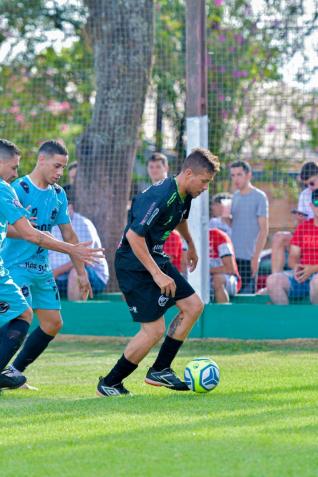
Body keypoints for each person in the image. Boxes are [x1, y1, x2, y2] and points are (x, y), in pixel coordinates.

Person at [96, 148, 220, 397]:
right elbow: (133, 236)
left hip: (154, 257)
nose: (206, 187)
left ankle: (161, 369)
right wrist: (157, 274)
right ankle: (109, 383)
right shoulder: (161, 196)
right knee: (153, 331)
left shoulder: (185, 193)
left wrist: (191, 246)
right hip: (134, 263)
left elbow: (181, 218)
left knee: (194, 306)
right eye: (204, 181)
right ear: (188, 173)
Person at [0, 139, 103, 391]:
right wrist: (28, 229)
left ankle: (13, 371)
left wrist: (81, 272)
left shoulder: (58, 195)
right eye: (56, 166)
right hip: (15, 266)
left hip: (41, 268)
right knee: (19, 315)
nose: (59, 173)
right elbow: (17, 231)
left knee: (52, 323)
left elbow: (69, 235)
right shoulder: (16, 187)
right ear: (41, 160)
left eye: (63, 168)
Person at [49, 185, 109, 300]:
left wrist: (56, 272)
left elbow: (84, 259)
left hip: (92, 276)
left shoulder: (83, 224)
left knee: (75, 272)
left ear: (70, 207)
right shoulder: (50, 223)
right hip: (58, 278)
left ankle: (75, 315)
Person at [267, 188, 318, 304]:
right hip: (303, 276)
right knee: (273, 280)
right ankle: (285, 320)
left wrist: (313, 269)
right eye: (317, 203)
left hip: (315, 276)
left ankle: (314, 320)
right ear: (311, 205)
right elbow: (293, 256)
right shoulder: (303, 228)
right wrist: (297, 267)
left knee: (317, 281)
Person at [271, 162, 318, 274]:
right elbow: (300, 227)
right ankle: (275, 278)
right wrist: (300, 219)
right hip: (307, 234)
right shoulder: (305, 194)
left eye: (312, 183)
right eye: (306, 185)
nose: (309, 187)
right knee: (279, 237)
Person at [230, 160, 269, 293]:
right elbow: (234, 225)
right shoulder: (234, 197)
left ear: (248, 175)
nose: (236, 179)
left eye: (239, 174)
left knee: (246, 298)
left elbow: (264, 230)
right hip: (232, 258)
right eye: (233, 175)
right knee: (232, 297)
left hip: (249, 258)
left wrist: (256, 257)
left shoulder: (260, 197)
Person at [147, 152, 186, 273]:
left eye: (158, 167)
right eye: (151, 167)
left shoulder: (175, 189)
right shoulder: (147, 193)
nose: (154, 170)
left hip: (171, 237)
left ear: (166, 168)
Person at [209, 228, 241, 303]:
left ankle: (223, 313)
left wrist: (204, 271)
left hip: (228, 279)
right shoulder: (189, 238)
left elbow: (229, 269)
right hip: (204, 279)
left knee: (217, 279)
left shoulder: (218, 236)